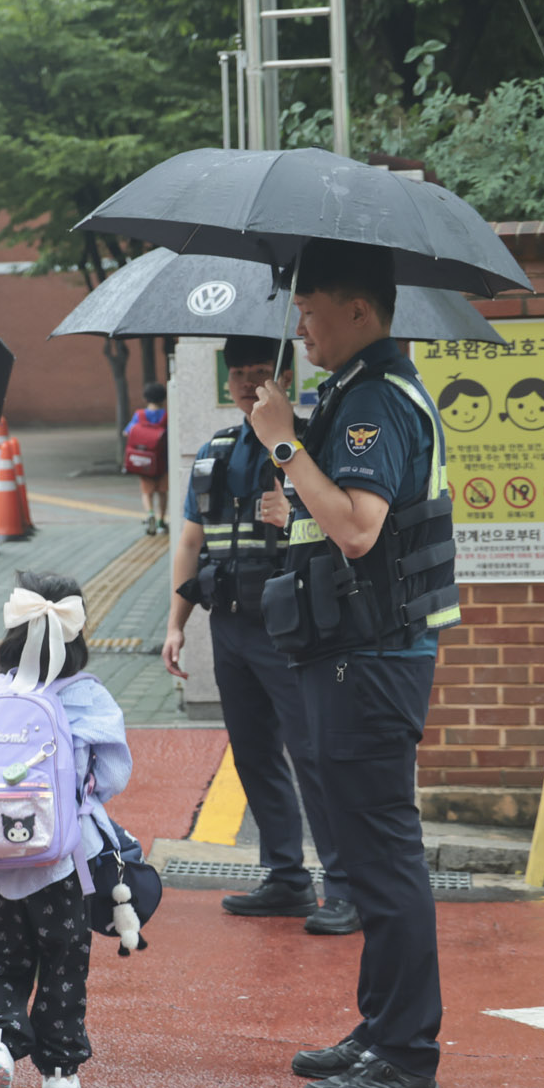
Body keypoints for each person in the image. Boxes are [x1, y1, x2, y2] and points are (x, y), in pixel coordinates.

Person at [249, 241, 455, 1088]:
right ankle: (382, 1028)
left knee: (382, 853)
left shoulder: (376, 400)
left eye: (311, 310)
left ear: (359, 311)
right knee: (367, 859)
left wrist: (283, 443)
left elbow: (360, 529)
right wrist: (290, 456)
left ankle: (406, 1056)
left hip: (373, 660)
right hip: (351, 655)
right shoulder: (352, 392)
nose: (301, 326)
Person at [162, 337, 357, 936]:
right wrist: (175, 624)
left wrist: (294, 515)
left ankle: (344, 887)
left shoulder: (311, 445)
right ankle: (287, 878)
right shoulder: (215, 452)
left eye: (260, 373)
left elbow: (352, 531)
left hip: (295, 626)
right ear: (227, 384)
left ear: (285, 379)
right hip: (231, 624)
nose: (249, 384)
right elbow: (191, 541)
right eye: (240, 374)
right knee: (253, 753)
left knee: (313, 753)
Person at [0, 571, 130, 1088]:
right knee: (62, 964)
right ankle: (60, 1083)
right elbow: (114, 775)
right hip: (62, 861)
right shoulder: (88, 697)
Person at [123, 381, 170, 534]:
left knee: (146, 492)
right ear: (163, 398)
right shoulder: (166, 416)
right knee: (162, 492)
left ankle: (150, 514)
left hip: (145, 462)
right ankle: (161, 521)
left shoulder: (139, 415)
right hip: (163, 461)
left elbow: (127, 432)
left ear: (146, 398)